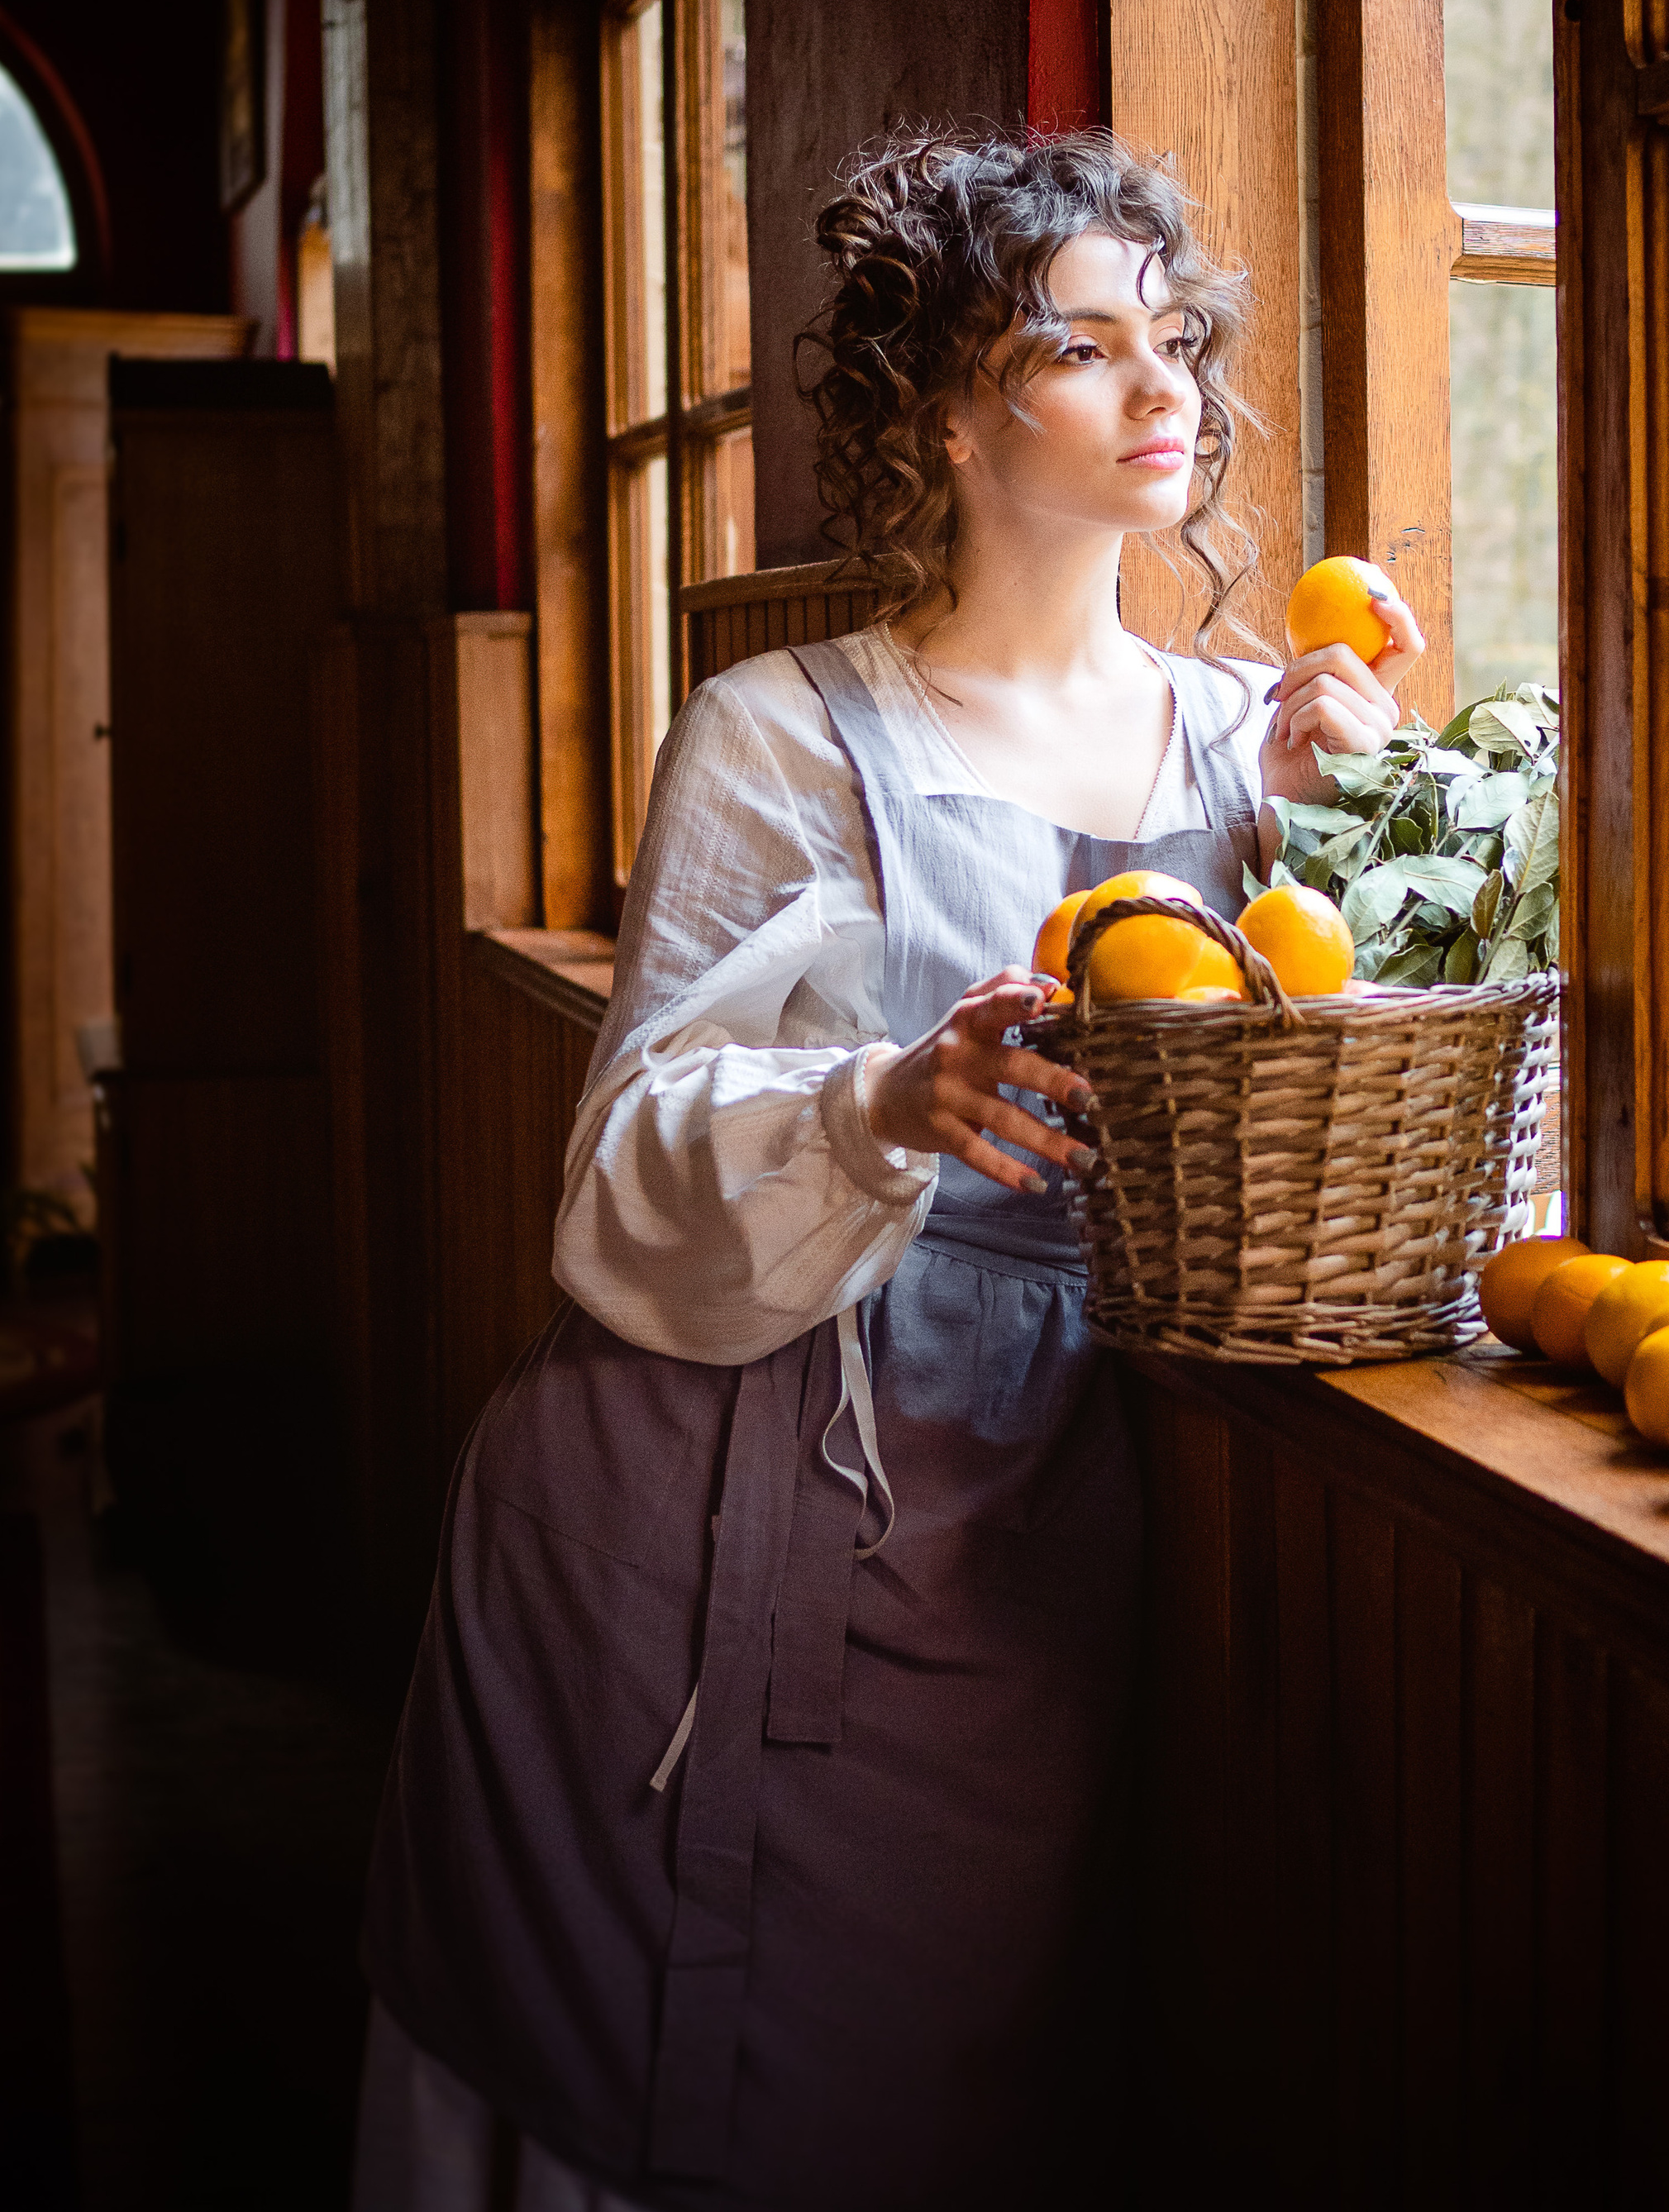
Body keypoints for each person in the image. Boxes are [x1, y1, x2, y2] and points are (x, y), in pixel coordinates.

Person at [350, 130, 1421, 2211]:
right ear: (942, 409)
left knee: (926, 2079)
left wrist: (1354, 823)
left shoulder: (1244, 737)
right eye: (1079, 345)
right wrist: (872, 1106)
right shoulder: (782, 733)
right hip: (678, 1517)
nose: (1162, 388)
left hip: (1017, 1533)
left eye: (1171, 338)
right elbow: (624, 1156)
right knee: (612, 2064)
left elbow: (1333, 1098)